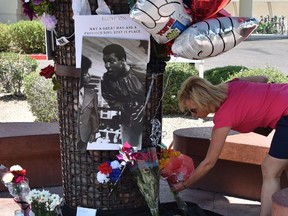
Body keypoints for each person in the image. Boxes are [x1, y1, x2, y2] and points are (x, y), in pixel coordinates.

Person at [171, 75, 288, 216]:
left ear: (204, 101)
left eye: (194, 110)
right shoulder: (230, 84)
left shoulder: (224, 117)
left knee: (270, 170)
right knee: (284, 165)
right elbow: (263, 78)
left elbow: (209, 162)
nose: (193, 115)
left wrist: (184, 185)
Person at [101, 43, 146, 150]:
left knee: (146, 154)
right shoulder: (107, 80)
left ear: (122, 60)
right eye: (105, 62)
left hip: (147, 120)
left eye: (111, 61)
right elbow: (111, 101)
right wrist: (126, 106)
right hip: (127, 123)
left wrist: (143, 106)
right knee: (128, 154)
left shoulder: (141, 73)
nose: (107, 65)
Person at [76, 55, 100, 150]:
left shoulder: (92, 94)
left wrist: (94, 132)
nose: (88, 75)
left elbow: (94, 114)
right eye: (86, 72)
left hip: (85, 135)